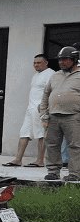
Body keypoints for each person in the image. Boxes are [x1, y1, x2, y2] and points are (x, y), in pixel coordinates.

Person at [3, 54, 54, 167]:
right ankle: (18, 159)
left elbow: (52, 92)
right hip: (30, 108)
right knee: (24, 132)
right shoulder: (35, 76)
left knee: (41, 134)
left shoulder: (51, 74)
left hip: (41, 109)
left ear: (46, 63)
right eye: (34, 63)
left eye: (39, 63)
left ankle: (40, 161)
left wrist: (44, 107)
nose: (36, 65)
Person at [40, 46, 80, 183]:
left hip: (73, 116)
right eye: (60, 60)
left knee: (75, 145)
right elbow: (46, 95)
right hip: (53, 116)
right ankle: (53, 171)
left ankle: (75, 173)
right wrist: (43, 114)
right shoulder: (55, 76)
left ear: (74, 60)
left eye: (65, 60)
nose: (61, 62)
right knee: (52, 144)